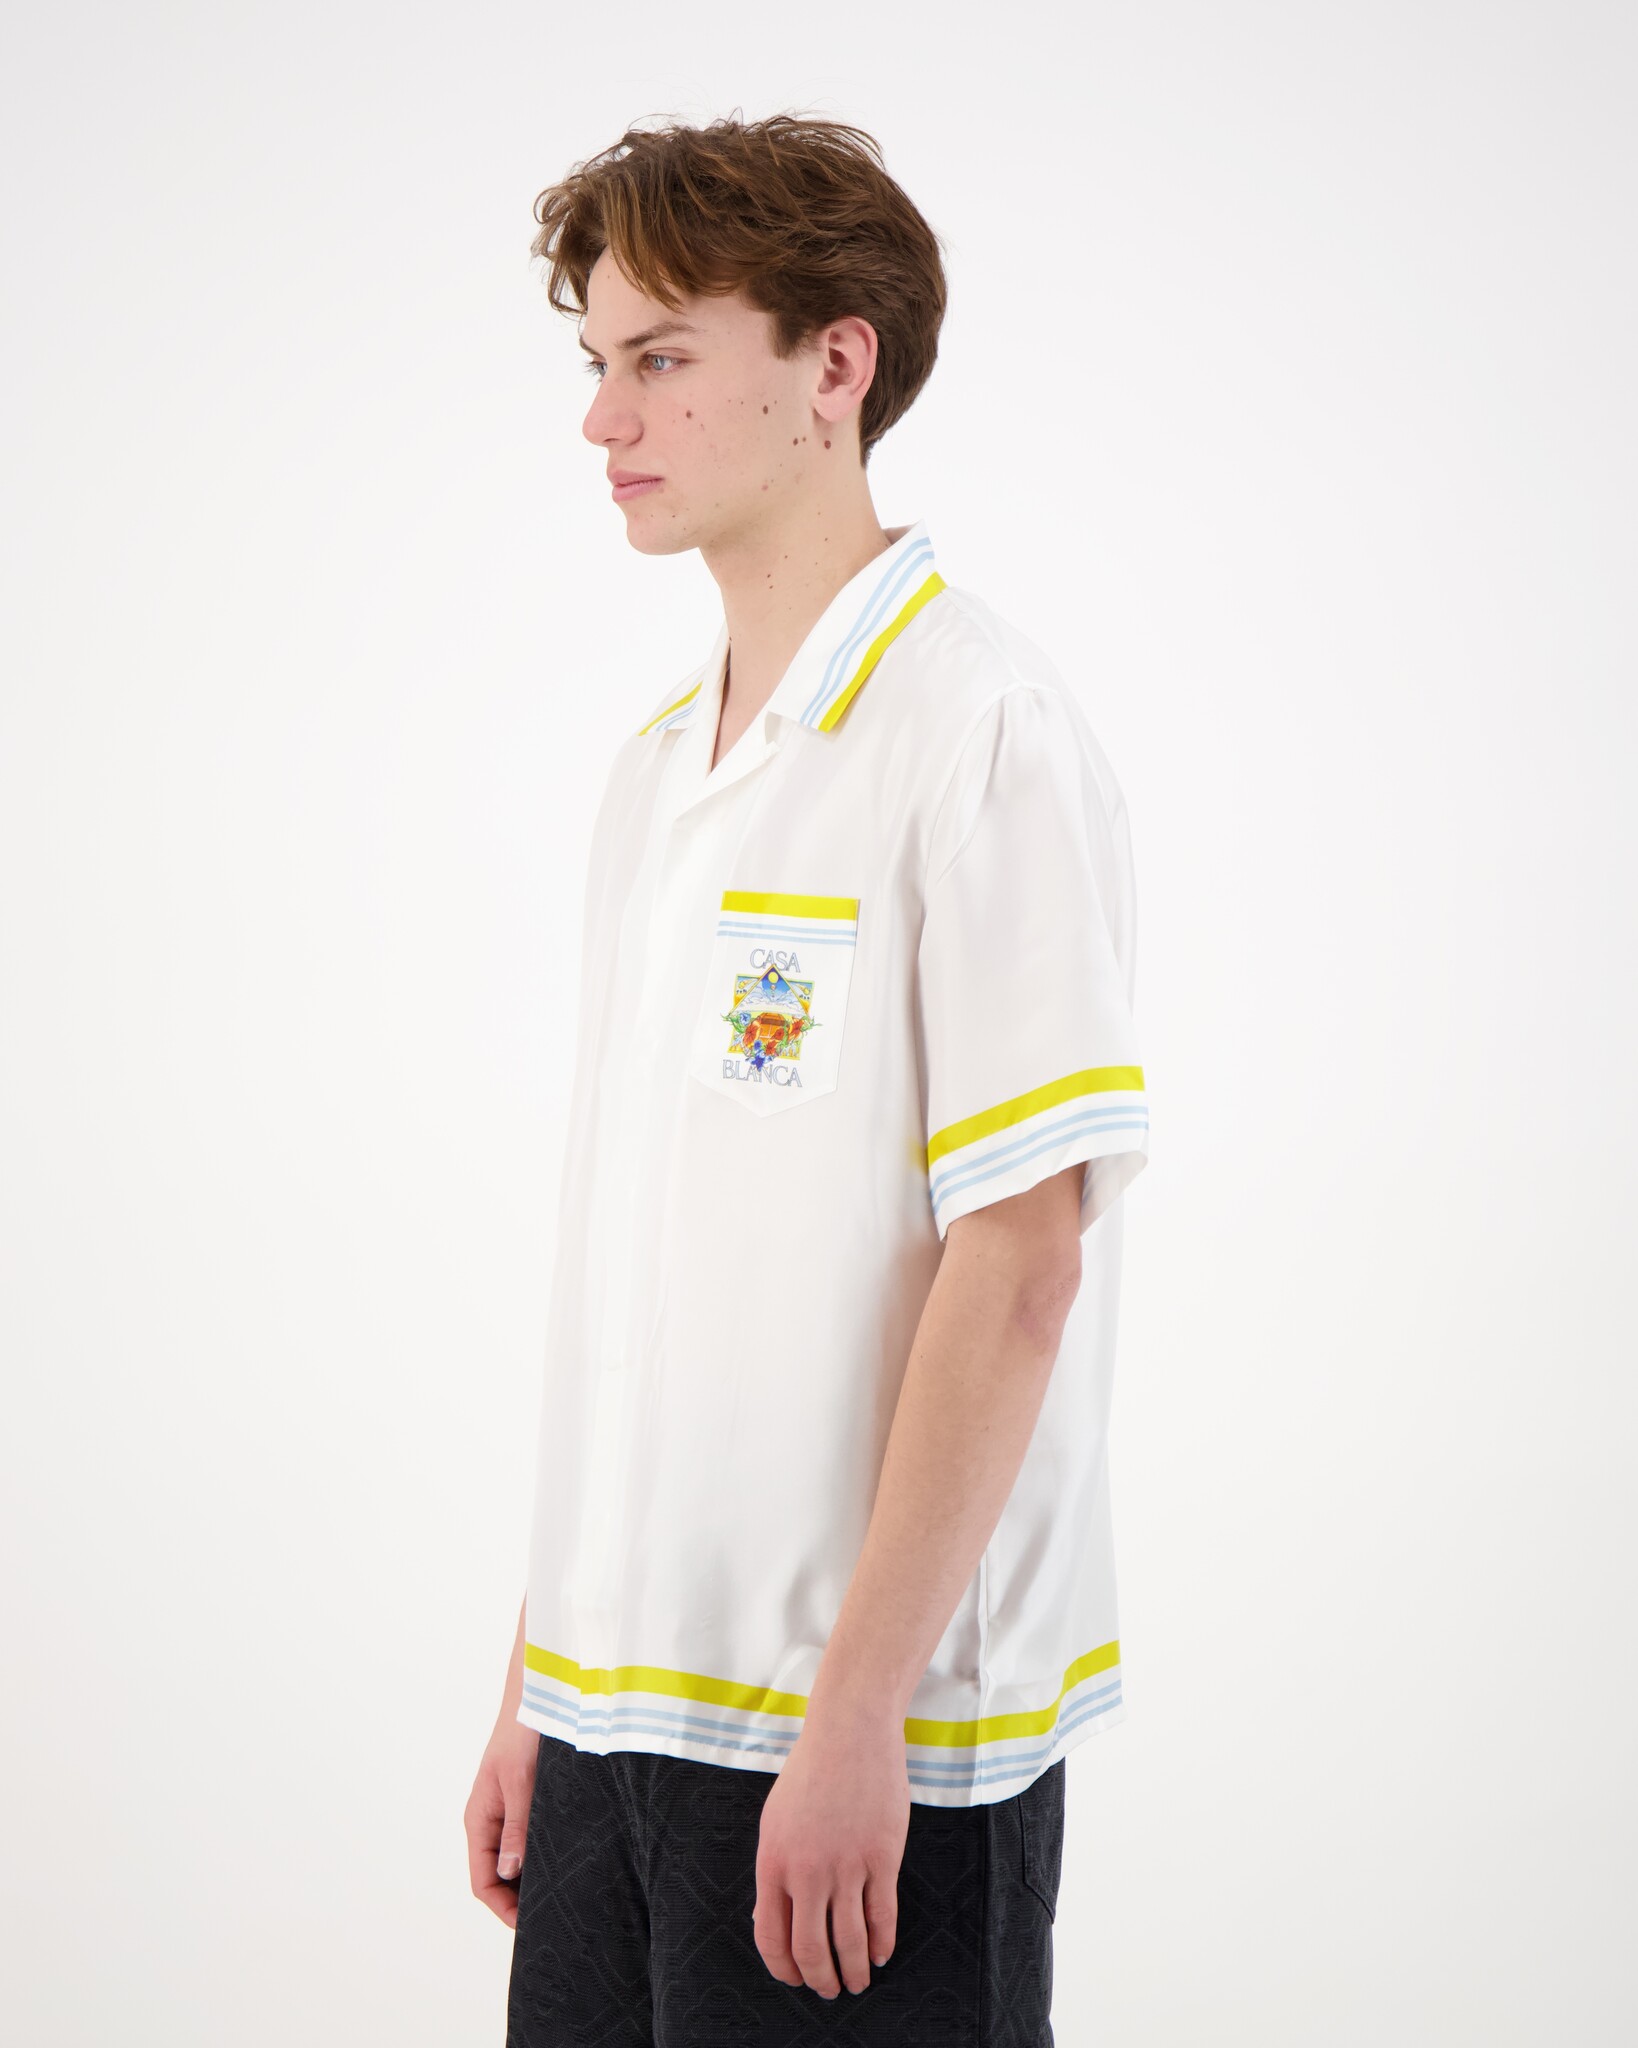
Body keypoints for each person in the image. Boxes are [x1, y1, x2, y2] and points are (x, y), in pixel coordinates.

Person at [464, 110, 1151, 2045]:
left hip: (865, 1747)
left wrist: (859, 1721)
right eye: (597, 361)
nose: (603, 419)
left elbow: (1018, 1262)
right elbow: (643, 1284)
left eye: (660, 357)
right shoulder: (654, 777)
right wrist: (536, 1681)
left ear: (833, 364)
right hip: (612, 1721)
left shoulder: (976, 732)